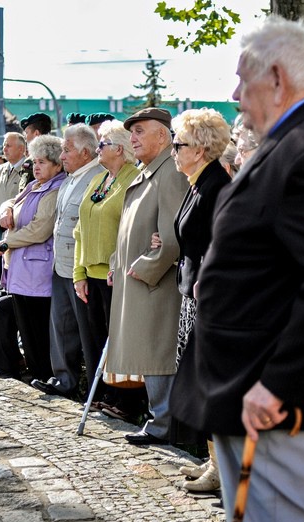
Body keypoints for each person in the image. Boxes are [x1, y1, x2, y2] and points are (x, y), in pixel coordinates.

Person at [170, 16, 304, 522]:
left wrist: (279, 384)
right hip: (261, 398)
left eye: (244, 78)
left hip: (278, 408)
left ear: (279, 78)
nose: (235, 93)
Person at [106, 107, 189, 446]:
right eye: (132, 131)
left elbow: (170, 237)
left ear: (163, 136)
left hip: (155, 285)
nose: (133, 138)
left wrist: (146, 269)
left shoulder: (169, 172)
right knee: (149, 354)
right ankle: (157, 419)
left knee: (157, 352)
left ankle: (162, 425)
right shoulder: (150, 171)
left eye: (140, 131)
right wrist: (117, 260)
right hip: (138, 280)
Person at [163, 108, 231, 492]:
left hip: (206, 299)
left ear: (201, 148)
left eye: (179, 143)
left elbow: (219, 243)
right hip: (191, 294)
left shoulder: (216, 186)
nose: (173, 150)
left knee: (205, 383)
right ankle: (212, 459)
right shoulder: (197, 182)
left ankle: (221, 469)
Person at [71, 119, 141, 418]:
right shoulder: (100, 179)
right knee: (99, 340)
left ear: (121, 149)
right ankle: (104, 394)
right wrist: (79, 273)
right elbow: (79, 230)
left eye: (103, 144)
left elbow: (131, 230)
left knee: (120, 342)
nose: (98, 148)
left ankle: (126, 402)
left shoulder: (132, 179)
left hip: (116, 275)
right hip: (91, 274)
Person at [28, 124, 103, 398]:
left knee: (87, 332)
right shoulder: (70, 178)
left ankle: (94, 390)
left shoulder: (98, 176)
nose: (62, 155)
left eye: (67, 149)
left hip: (81, 267)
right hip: (61, 265)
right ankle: (64, 381)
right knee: (60, 326)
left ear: (85, 152)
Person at [0, 135, 67, 382]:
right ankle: (32, 371)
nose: (36, 167)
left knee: (37, 327)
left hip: (38, 269)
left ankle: (43, 373)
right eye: (34, 161)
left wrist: (6, 242)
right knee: (24, 323)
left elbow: (39, 229)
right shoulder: (35, 185)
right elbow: (12, 200)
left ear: (57, 165)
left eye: (43, 162)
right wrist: (6, 210)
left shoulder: (55, 189)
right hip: (21, 268)